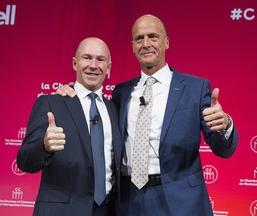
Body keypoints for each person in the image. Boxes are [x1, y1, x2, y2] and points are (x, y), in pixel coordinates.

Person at [57, 15, 238, 216]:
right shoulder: (121, 92)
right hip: (128, 200)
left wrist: (225, 126)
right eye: (139, 38)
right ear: (133, 46)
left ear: (166, 42)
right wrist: (73, 93)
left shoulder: (195, 88)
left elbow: (222, 149)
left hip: (180, 201)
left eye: (153, 37)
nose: (146, 44)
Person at [17, 37, 122, 216]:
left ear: (109, 67)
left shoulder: (114, 108)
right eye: (86, 58)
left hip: (107, 210)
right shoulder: (51, 103)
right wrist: (45, 147)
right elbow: (24, 161)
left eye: (100, 59)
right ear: (75, 63)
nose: (93, 65)